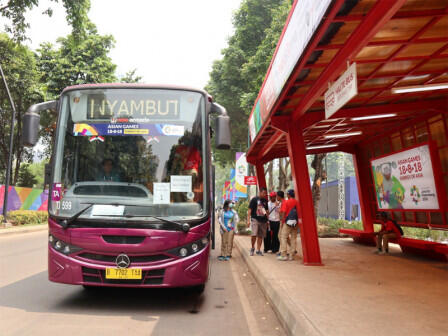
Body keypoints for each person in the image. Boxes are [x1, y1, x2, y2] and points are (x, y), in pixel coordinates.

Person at [278, 189, 299, 261]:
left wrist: (283, 221)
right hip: (296, 223)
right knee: (293, 238)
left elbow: (283, 212)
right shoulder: (297, 202)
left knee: (283, 237)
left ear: (289, 195)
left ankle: (283, 255)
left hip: (287, 222)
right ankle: (291, 256)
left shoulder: (286, 202)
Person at [247, 187, 269, 256]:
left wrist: (268, 220)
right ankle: (252, 247)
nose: (265, 194)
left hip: (263, 220)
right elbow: (250, 210)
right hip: (255, 219)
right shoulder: (254, 199)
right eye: (263, 193)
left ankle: (258, 250)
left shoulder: (265, 201)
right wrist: (248, 220)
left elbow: (267, 211)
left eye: (265, 193)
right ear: (260, 192)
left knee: (260, 235)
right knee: (254, 234)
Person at [276, 190, 287, 256]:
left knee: (280, 236)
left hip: (283, 221)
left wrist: (282, 222)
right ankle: (292, 249)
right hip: (285, 221)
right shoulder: (283, 202)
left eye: (277, 196)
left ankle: (283, 252)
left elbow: (283, 212)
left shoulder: (284, 202)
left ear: (279, 196)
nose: (276, 197)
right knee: (285, 237)